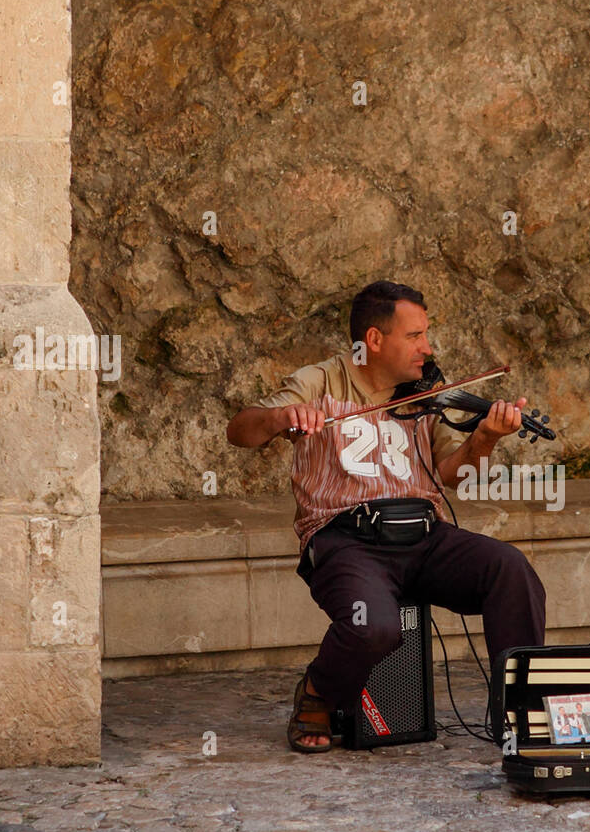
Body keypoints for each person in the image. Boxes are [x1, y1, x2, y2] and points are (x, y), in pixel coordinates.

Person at [226, 280, 547, 751]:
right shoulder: (320, 381)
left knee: (510, 570)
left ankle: (520, 715)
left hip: (423, 536)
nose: (428, 347)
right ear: (374, 340)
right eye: (415, 336)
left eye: (426, 335)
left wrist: (485, 438)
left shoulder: (422, 394)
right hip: (346, 540)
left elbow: (450, 475)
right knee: (373, 626)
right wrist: (282, 418)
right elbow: (240, 431)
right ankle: (317, 692)